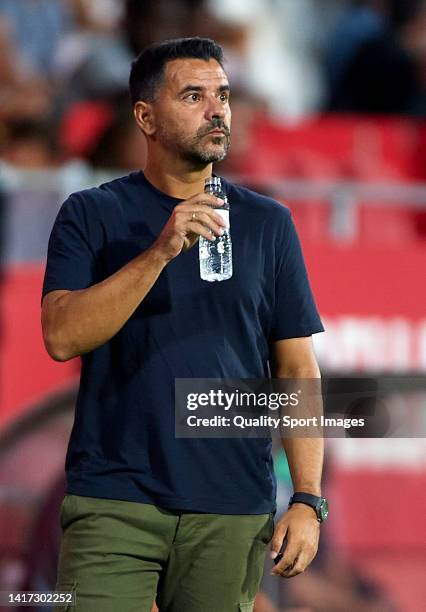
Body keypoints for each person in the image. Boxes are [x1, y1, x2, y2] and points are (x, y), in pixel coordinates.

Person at [41, 37, 326, 612]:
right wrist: (160, 250)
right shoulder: (91, 214)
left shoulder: (269, 223)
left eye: (222, 95)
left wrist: (307, 499)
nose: (217, 109)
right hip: (114, 503)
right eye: (193, 95)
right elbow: (61, 336)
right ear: (145, 117)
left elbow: (295, 367)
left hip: (231, 509)